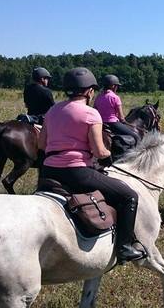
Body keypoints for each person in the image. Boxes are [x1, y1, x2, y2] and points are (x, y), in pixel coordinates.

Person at [38, 67, 146, 262]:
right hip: (77, 173)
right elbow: (98, 151)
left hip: (48, 171)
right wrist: (108, 157)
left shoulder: (52, 111)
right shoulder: (91, 114)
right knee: (129, 196)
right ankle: (124, 247)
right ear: (89, 91)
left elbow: (41, 144)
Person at [93, 74, 140, 144]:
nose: (117, 88)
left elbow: (95, 111)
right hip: (113, 124)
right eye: (116, 86)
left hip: (100, 124)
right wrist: (125, 122)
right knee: (135, 137)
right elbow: (121, 117)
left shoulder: (98, 97)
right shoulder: (115, 97)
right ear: (113, 86)